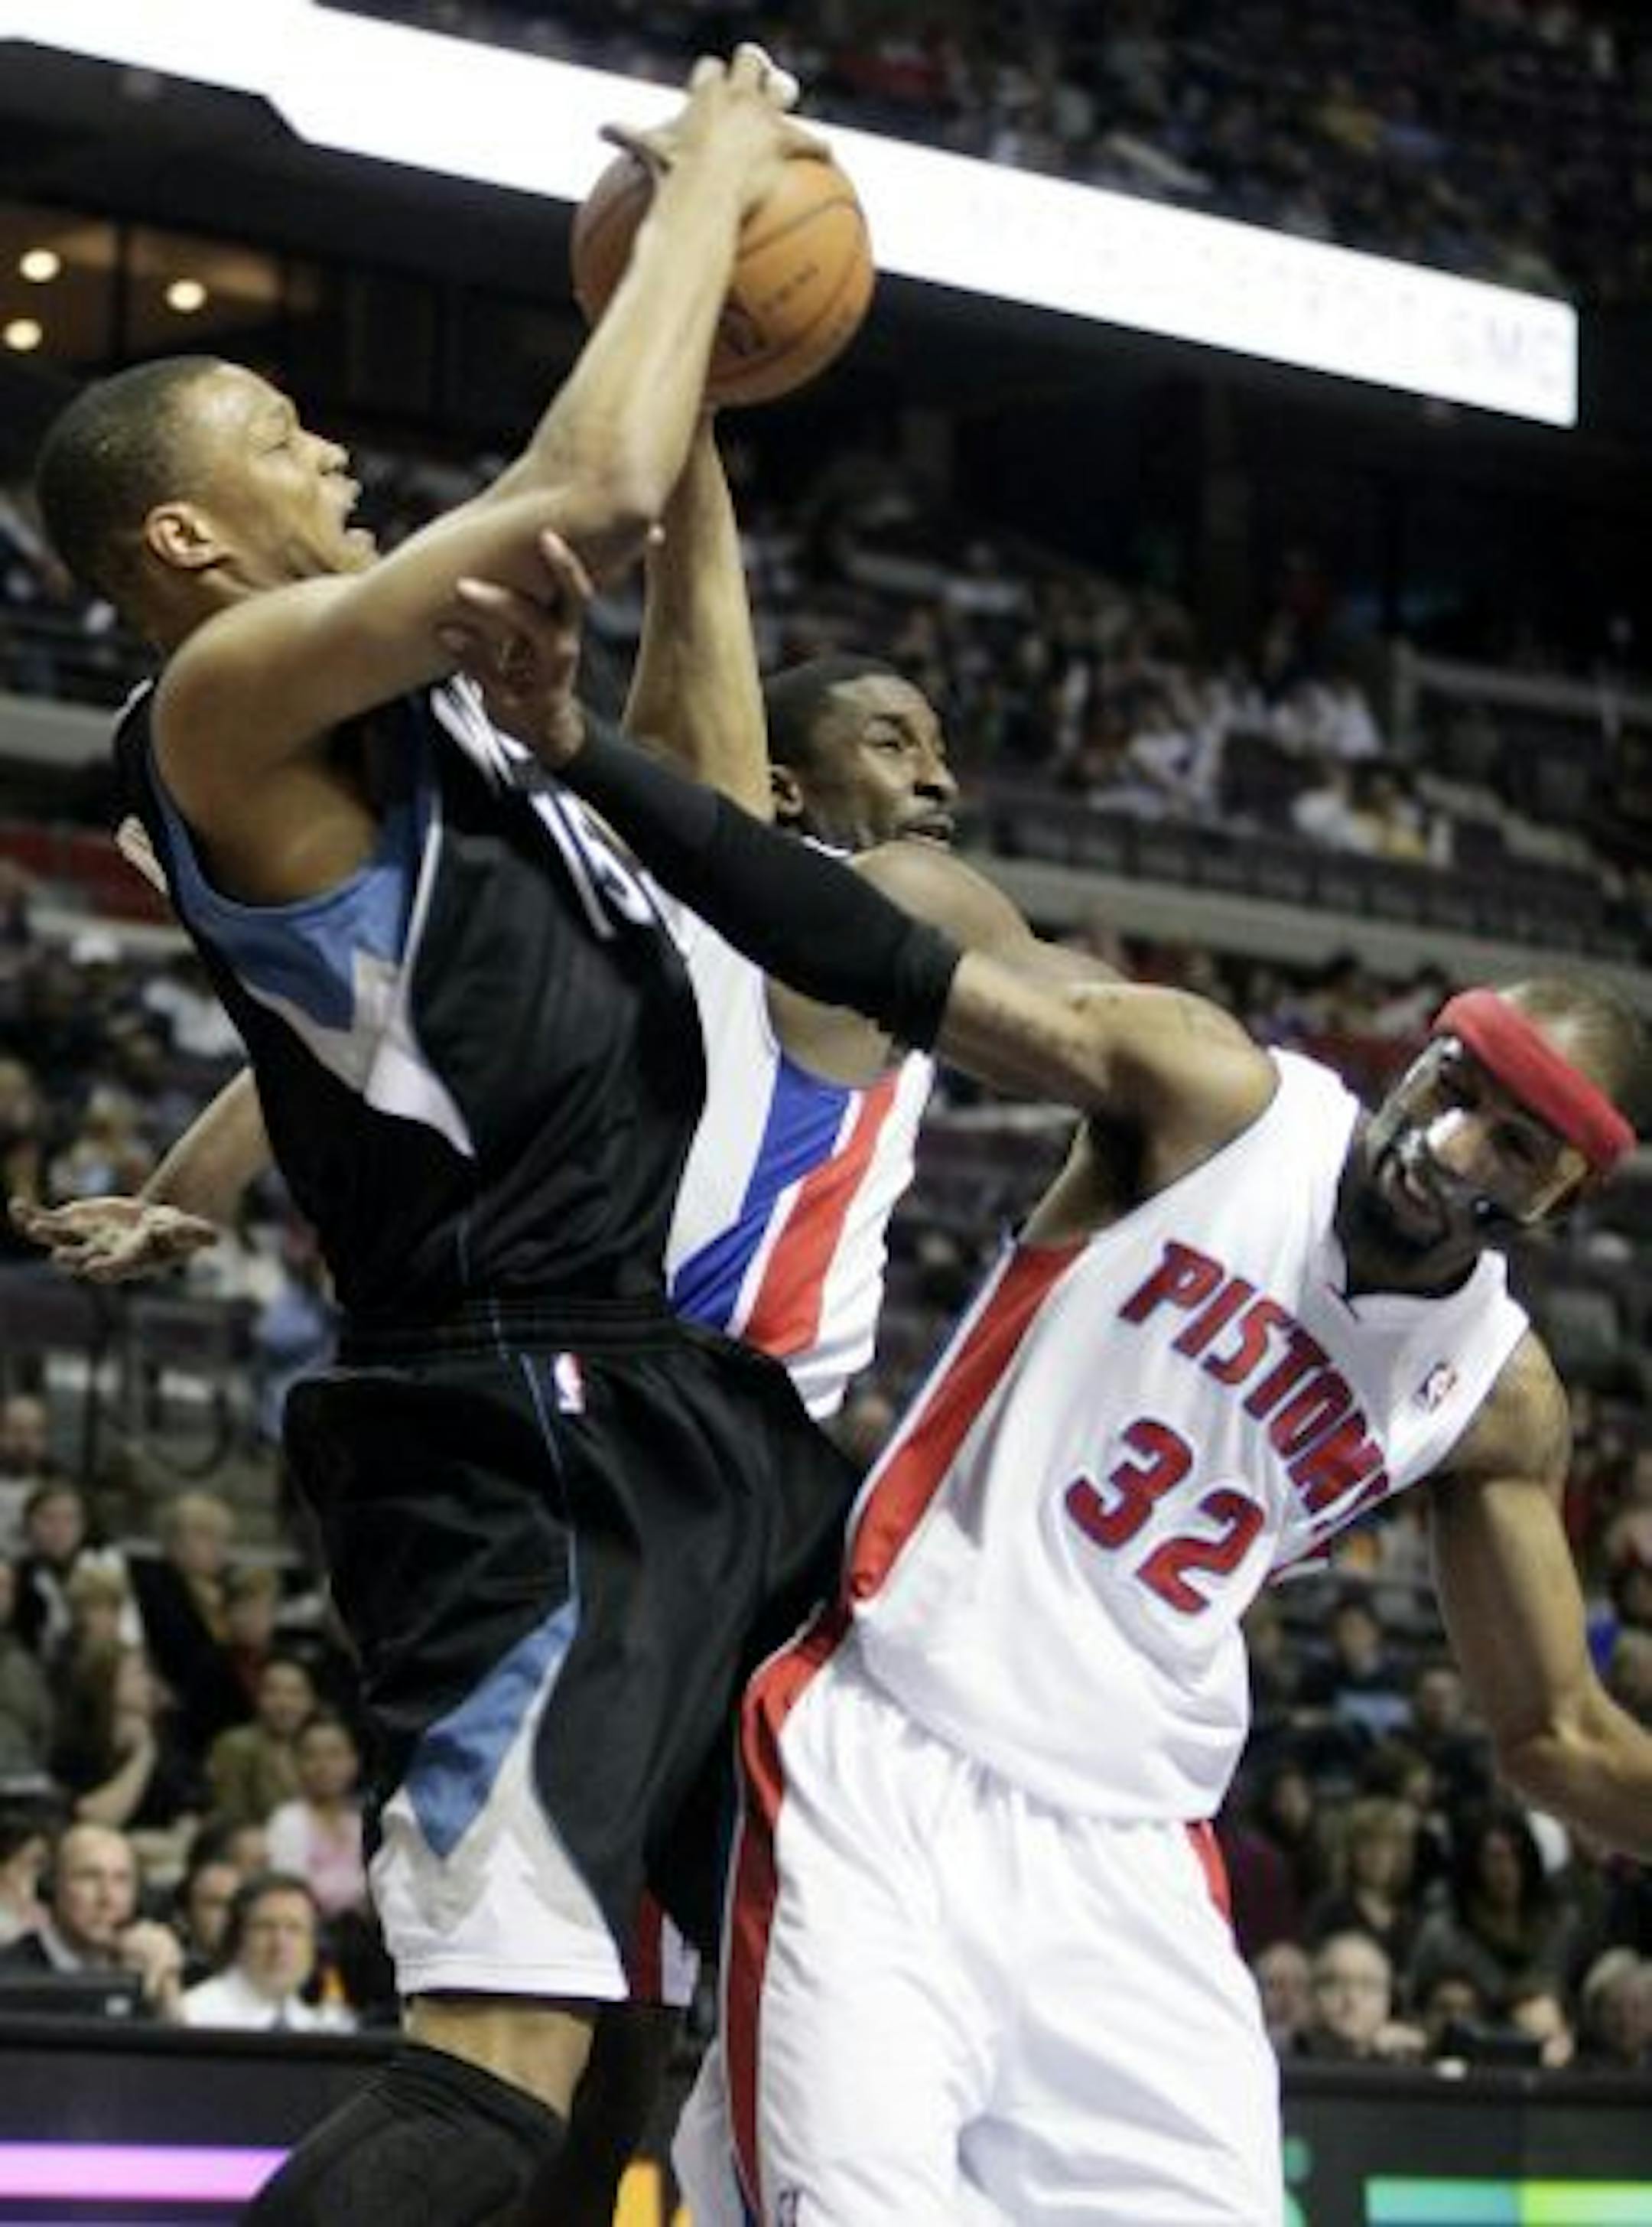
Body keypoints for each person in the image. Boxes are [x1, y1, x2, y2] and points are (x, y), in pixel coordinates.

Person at [469, 584, 1652, 2222]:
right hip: (887, 1756)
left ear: (1560, 1198)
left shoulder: (1498, 1396)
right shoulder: (1221, 1099)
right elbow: (879, 947)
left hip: (1134, 1854)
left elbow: (1559, 1735)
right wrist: (583, 747)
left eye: (1514, 1144)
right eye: (1458, 1088)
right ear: (1426, 1054)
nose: (1451, 1146)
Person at [28, 47, 865, 2227]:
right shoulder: (221, 693)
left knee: (675, 2033)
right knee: (489, 2052)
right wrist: (703, 189)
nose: (335, 453)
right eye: (286, 441)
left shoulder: (426, 728)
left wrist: (693, 473)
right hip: (522, 1417)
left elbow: (696, 807)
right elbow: (568, 484)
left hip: (679, 1401)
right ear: (187, 535)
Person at [0, 1818, 183, 2018]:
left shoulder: (145, 1965)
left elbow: (179, 2047)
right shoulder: (10, 1975)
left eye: (121, 1880)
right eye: (89, 1877)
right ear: (51, 1887)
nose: (107, 1898)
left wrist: (166, 1986)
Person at [181, 1870, 353, 2033]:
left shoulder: (328, 2026)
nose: (280, 1944)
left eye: (295, 1929)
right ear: (237, 1937)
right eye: (265, 1927)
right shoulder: (192, 2015)